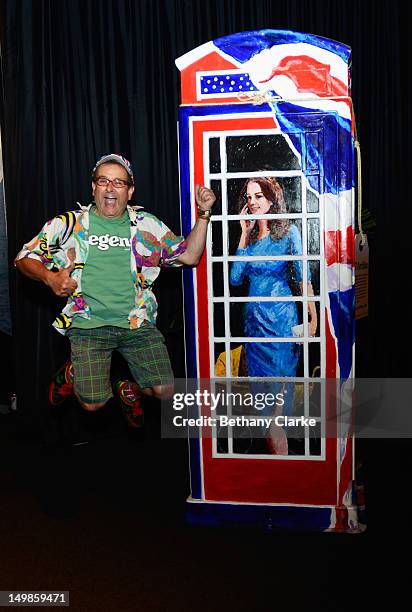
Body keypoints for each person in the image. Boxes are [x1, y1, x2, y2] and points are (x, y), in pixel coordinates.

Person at [15, 153, 215, 427]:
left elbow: (189, 256)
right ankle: (72, 374)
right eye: (103, 181)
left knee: (165, 391)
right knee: (92, 403)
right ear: (93, 187)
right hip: (88, 324)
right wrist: (49, 278)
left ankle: (128, 387)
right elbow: (24, 258)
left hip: (136, 323)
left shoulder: (146, 225)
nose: (110, 188)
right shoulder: (68, 224)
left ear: (130, 191)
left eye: (119, 183)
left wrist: (204, 213)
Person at [230, 176, 317, 453]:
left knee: (278, 408)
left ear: (271, 198)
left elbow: (304, 279)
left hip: (281, 321)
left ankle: (285, 470)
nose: (252, 202)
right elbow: (234, 279)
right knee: (263, 408)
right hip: (254, 325)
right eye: (249, 197)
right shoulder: (250, 240)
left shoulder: (289, 233)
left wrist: (312, 317)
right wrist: (244, 233)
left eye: (258, 196)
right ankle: (279, 468)